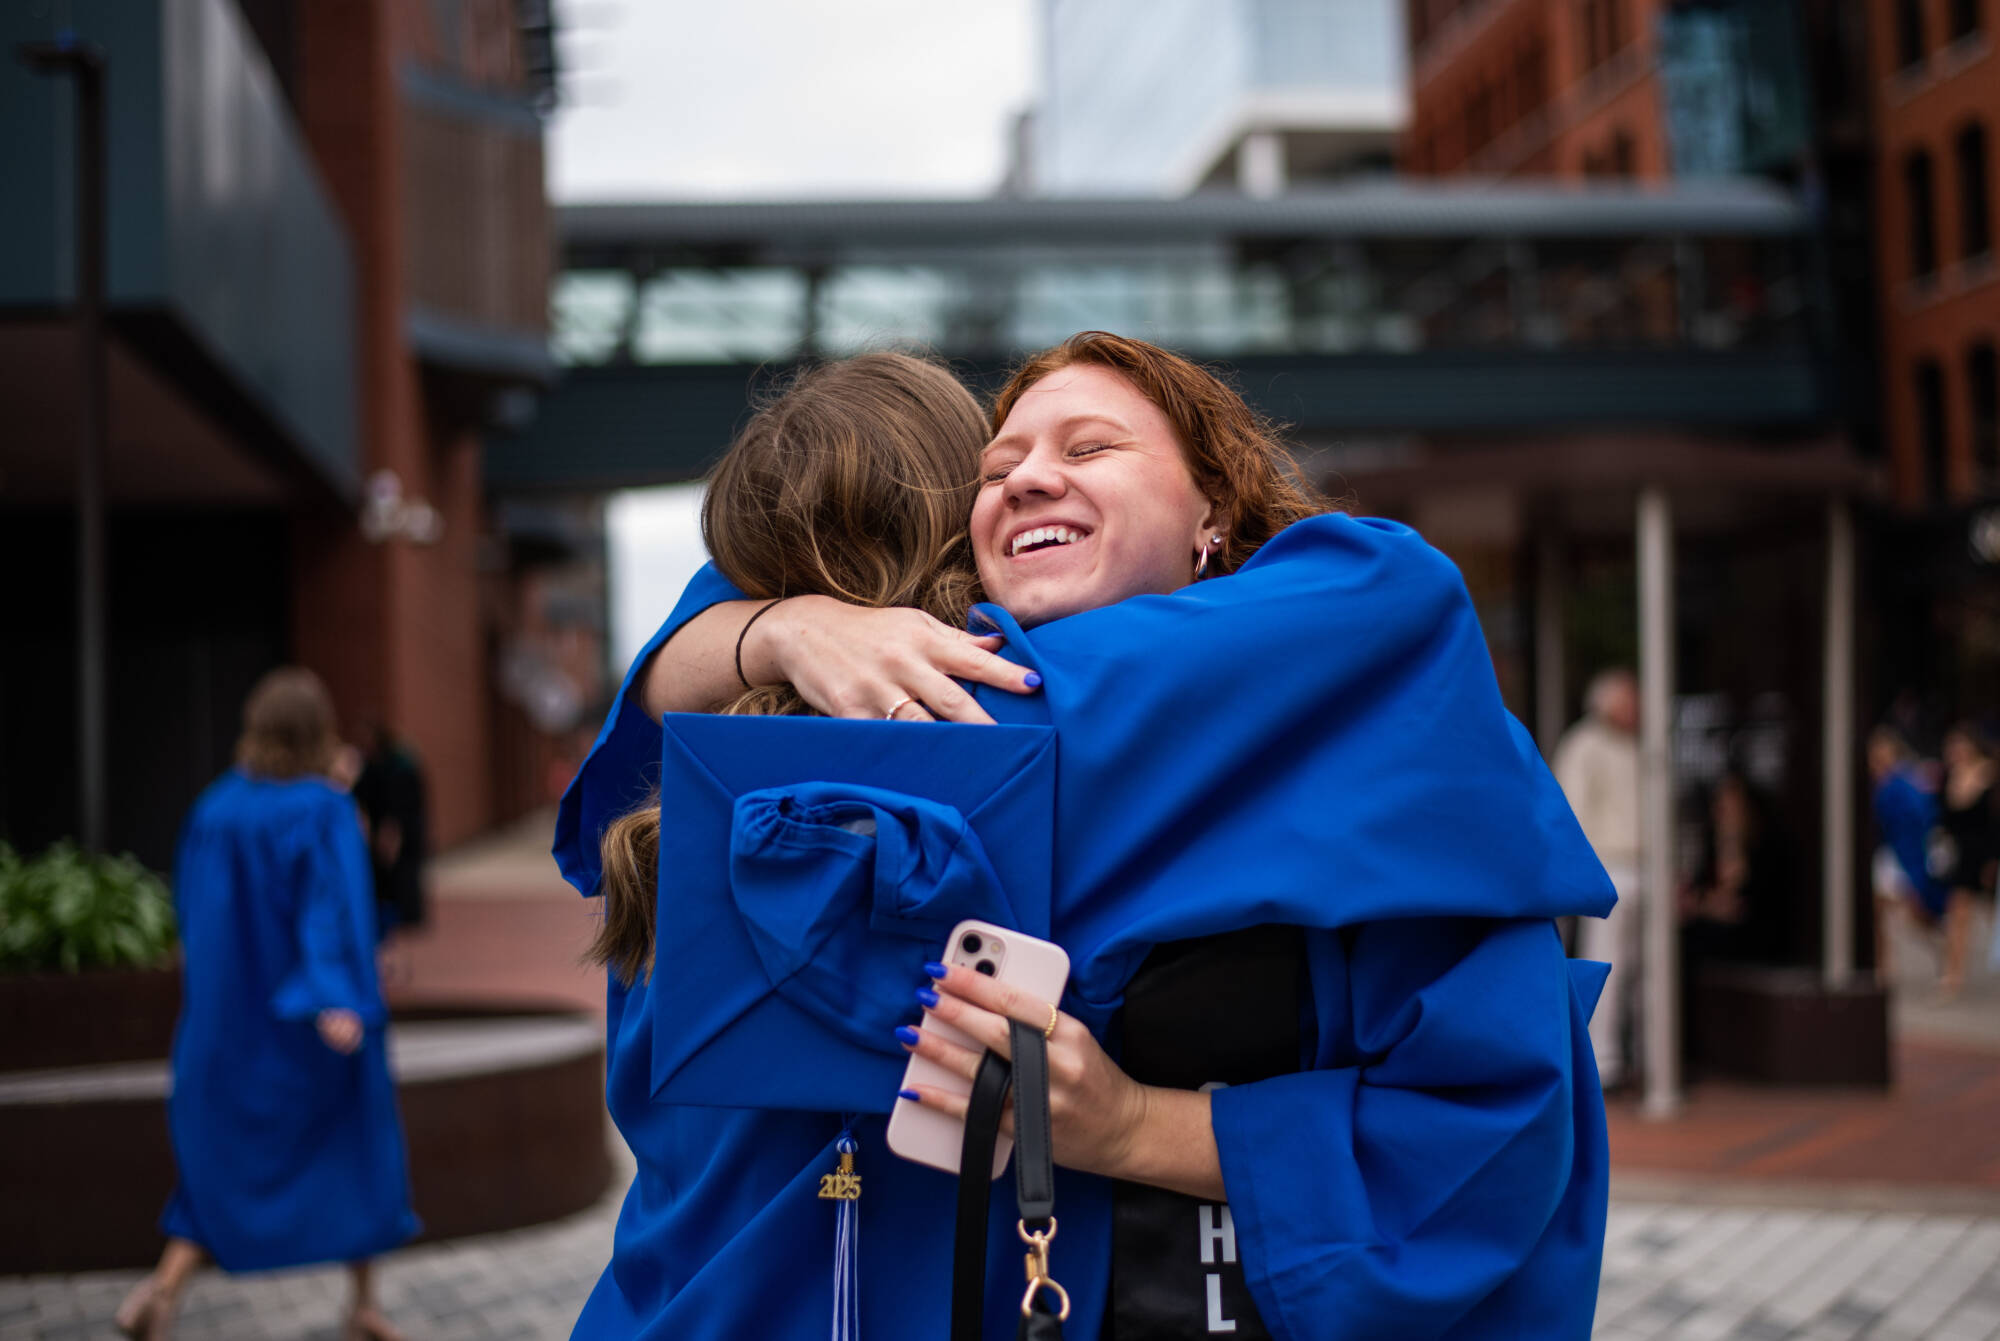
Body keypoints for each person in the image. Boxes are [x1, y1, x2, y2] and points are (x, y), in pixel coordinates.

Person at [559, 334, 1614, 1339]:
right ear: (949, 543)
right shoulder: (993, 731)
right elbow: (1392, 588)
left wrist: (763, 632)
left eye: (1091, 446)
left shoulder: (685, 793)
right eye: (993, 463)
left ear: (1217, 507)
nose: (1024, 479)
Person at [117, 669, 417, 1341]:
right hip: (313, 1026)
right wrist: (336, 997)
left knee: (226, 1161)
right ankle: (363, 1302)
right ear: (319, 728)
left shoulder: (213, 810)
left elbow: (188, 913)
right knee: (355, 1144)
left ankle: (162, 1290)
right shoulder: (322, 807)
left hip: (226, 1023)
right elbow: (327, 910)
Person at [1552, 668, 1642, 1089]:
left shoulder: (1639, 748)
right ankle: (1602, 1064)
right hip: (1610, 868)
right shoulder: (1584, 744)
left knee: (1643, 973)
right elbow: (1572, 811)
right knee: (1607, 966)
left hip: (1643, 867)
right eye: (1626, 697)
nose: (1634, 706)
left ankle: (1640, 1057)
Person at [1869, 725, 1945, 987]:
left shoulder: (1902, 783)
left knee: (1915, 911)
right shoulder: (1880, 783)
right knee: (1877, 911)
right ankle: (1881, 966)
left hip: (1901, 854)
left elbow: (1919, 821)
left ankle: (1943, 946)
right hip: (1886, 855)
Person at [1932, 722, 1998, 1000]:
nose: (1956, 750)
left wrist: (1993, 859)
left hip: (1986, 853)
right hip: (1960, 855)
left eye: (1960, 744)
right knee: (1958, 915)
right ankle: (1953, 976)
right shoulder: (1950, 776)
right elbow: (1943, 818)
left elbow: (1995, 821)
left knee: (1992, 915)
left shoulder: (1989, 773)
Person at [351, 723, 430, 940]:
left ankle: (404, 916)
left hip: (400, 829)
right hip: (384, 829)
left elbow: (402, 802)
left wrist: (392, 831)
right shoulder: (374, 764)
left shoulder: (398, 766)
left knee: (402, 875)